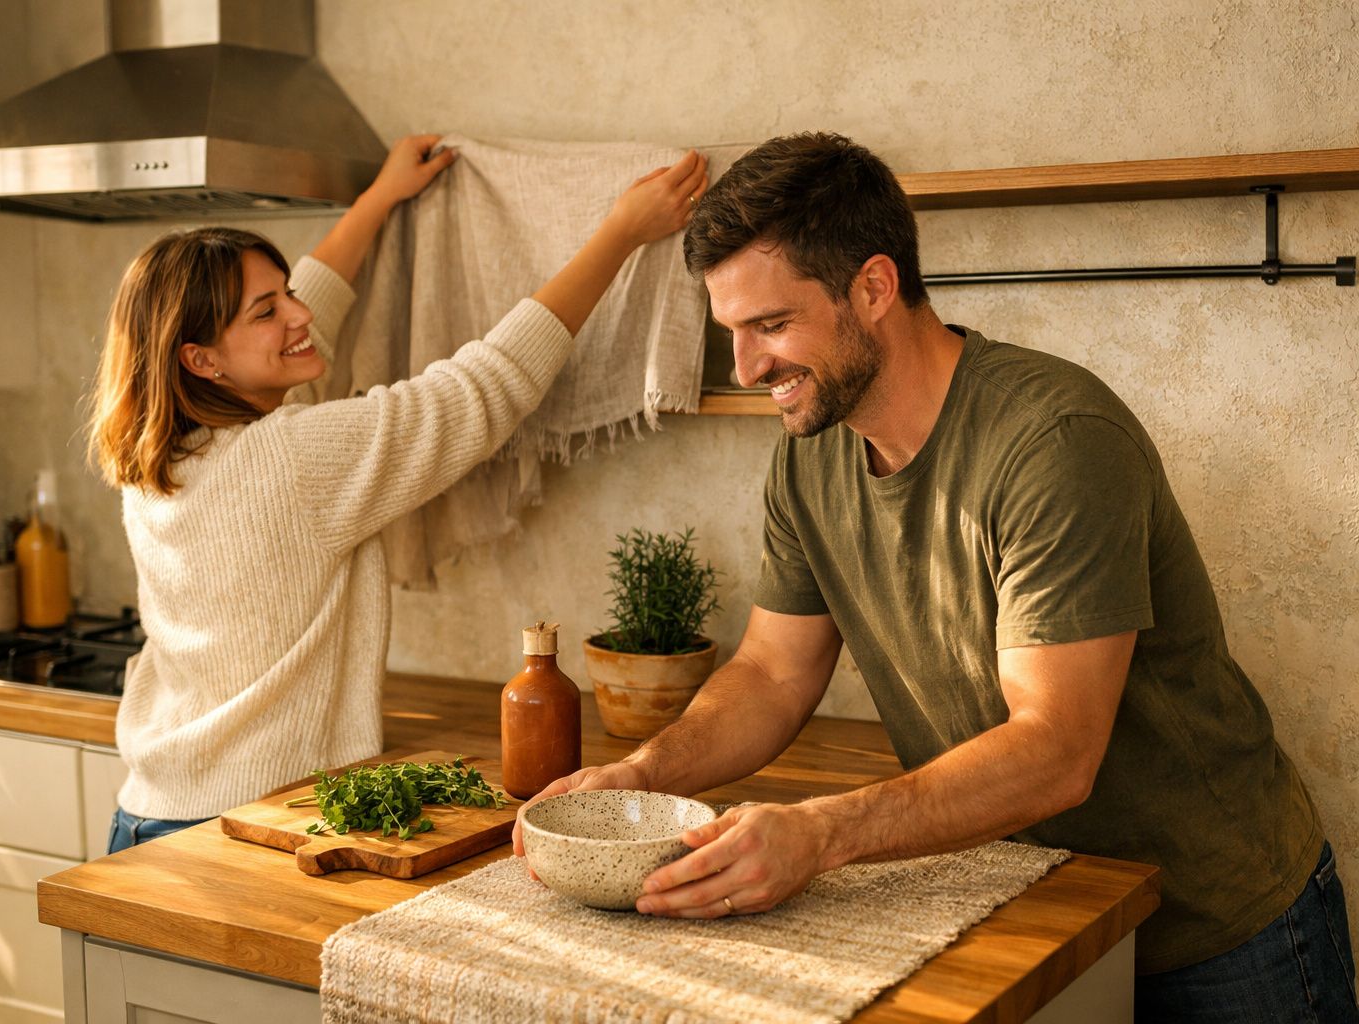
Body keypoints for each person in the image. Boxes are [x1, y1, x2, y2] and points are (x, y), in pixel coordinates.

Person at [513, 132, 1356, 1022]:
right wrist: (644, 778)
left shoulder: (1054, 441)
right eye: (732, 332)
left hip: (1215, 929)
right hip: (1024, 905)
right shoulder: (811, 459)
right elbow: (771, 672)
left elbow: (1057, 750)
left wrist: (820, 832)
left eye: (770, 325)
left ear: (875, 287)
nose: (749, 369)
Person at [87, 135, 708, 854]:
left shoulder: (161, 454)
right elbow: (482, 387)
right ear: (202, 360)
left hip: (147, 810)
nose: (298, 315)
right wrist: (621, 233)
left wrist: (380, 199)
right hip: (240, 826)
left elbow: (300, 316)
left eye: (287, 291)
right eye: (266, 310)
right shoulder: (293, 458)